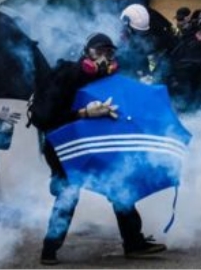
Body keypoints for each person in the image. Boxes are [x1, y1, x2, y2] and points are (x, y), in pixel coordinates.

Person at [28, 33, 165, 265]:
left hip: (96, 144)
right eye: (98, 52)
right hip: (65, 146)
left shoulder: (108, 80)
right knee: (68, 194)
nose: (104, 58)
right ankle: (49, 250)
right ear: (86, 54)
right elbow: (45, 118)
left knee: (120, 186)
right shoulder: (65, 76)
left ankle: (134, 243)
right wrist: (82, 114)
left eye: (109, 53)